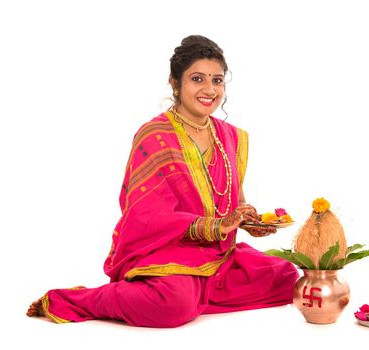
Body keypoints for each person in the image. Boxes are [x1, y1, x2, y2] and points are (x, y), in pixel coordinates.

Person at [26, 35, 299, 328]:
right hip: (168, 249)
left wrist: (247, 219)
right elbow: (145, 216)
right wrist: (214, 226)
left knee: (286, 278)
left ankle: (197, 290)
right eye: (198, 79)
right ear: (175, 82)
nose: (210, 90)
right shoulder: (155, 136)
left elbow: (234, 198)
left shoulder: (230, 135)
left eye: (217, 80)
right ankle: (79, 299)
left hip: (218, 252)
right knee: (173, 305)